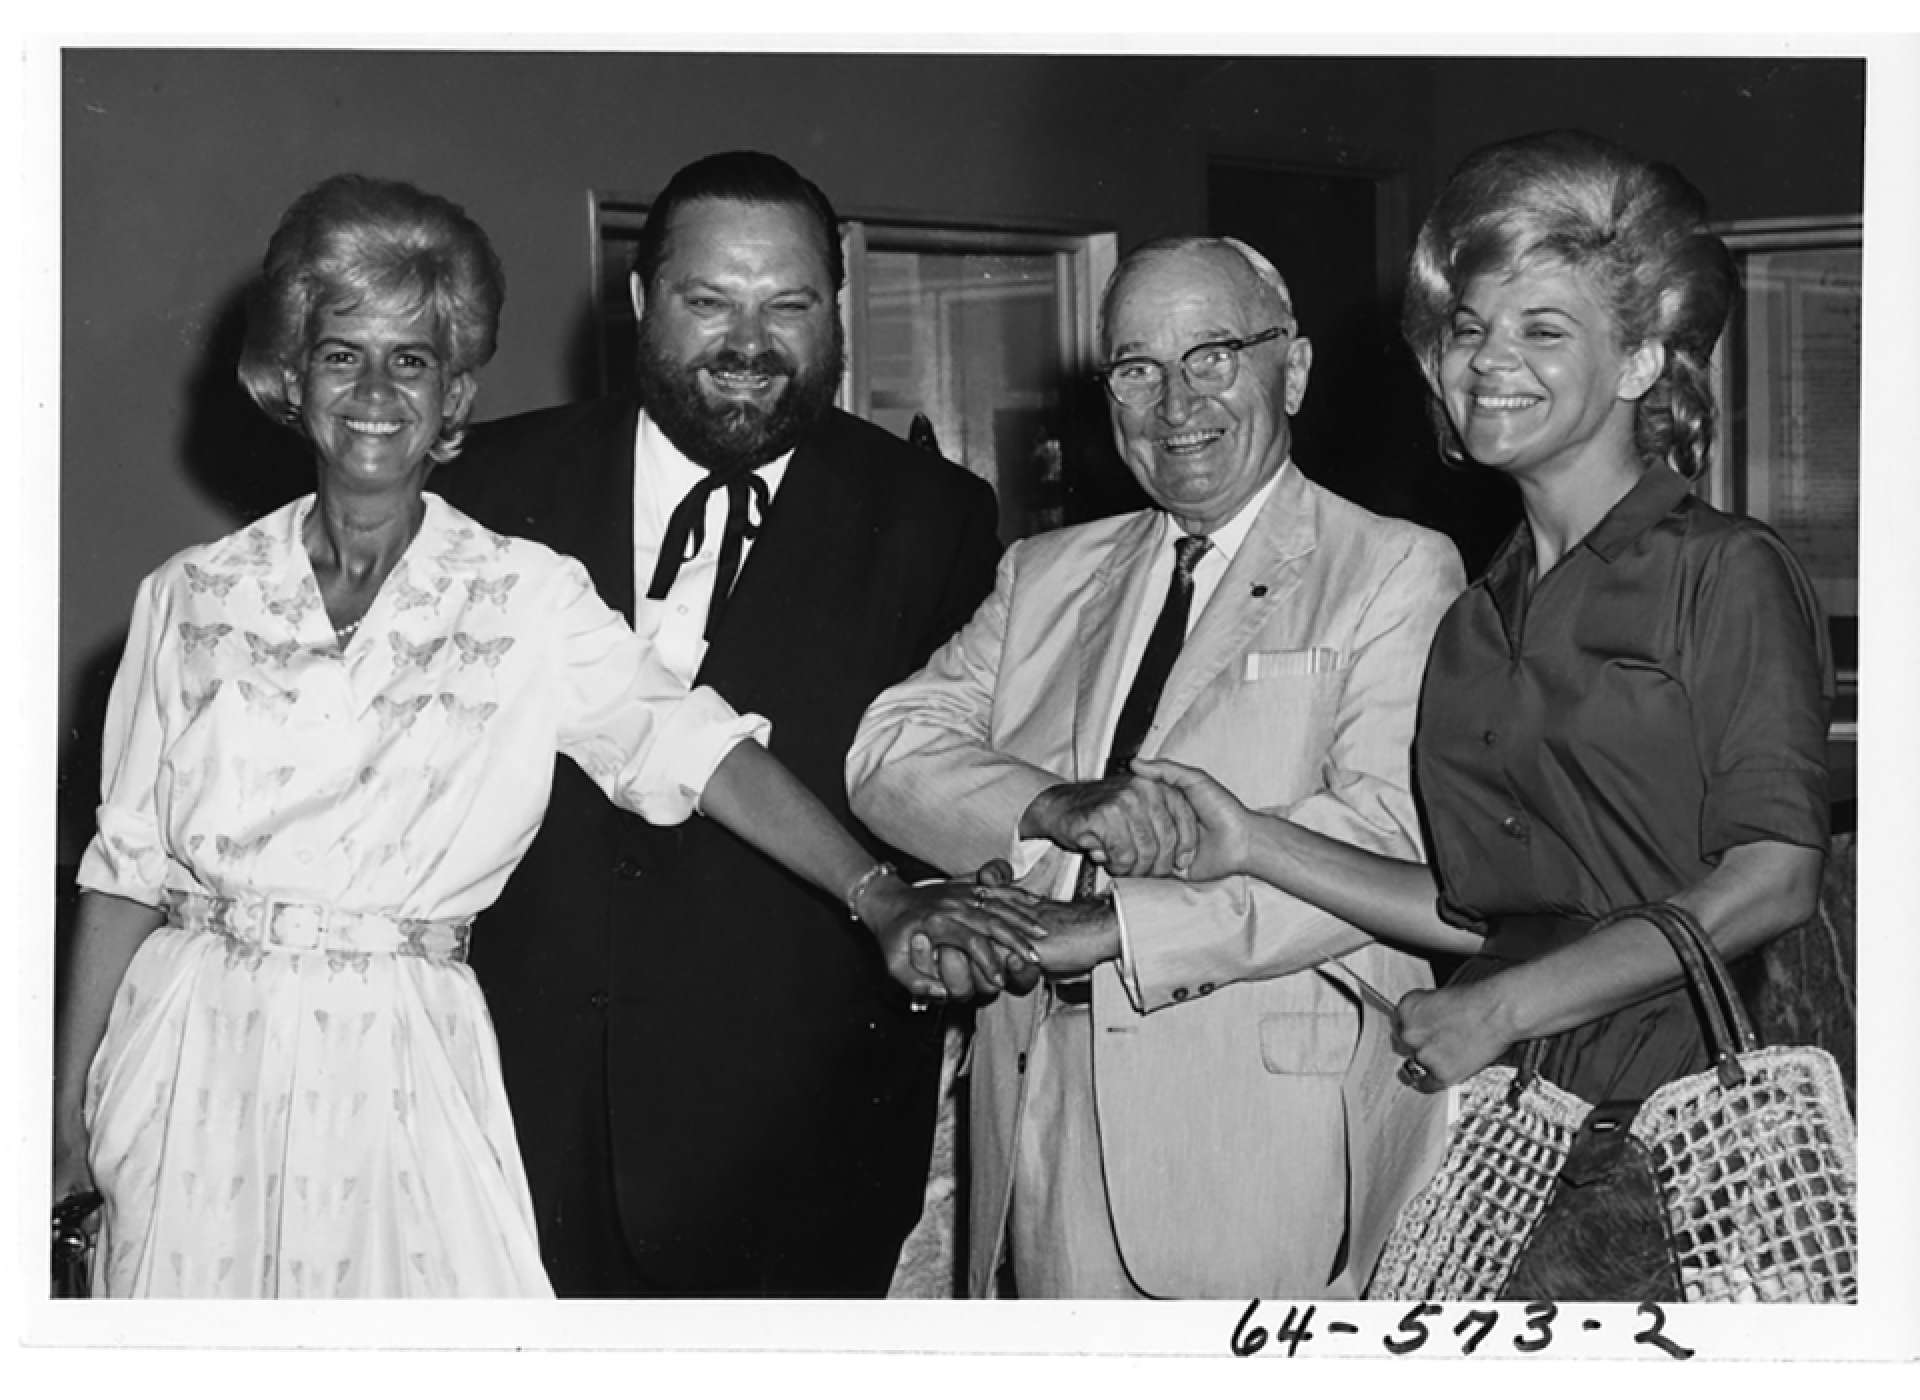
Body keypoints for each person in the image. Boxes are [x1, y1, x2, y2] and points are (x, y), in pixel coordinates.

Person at [48, 173, 1035, 1300]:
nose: (376, 390)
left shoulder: (521, 591)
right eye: (341, 354)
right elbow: (123, 866)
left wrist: (884, 895)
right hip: (189, 1062)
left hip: (402, 1067)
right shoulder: (190, 593)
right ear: (289, 375)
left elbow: (692, 745)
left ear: (456, 385)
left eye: (412, 359)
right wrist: (64, 1119)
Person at [1134, 129, 1833, 1301]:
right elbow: (1478, 913)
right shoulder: (1477, 613)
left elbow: (1774, 877)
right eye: (1468, 328)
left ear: (1642, 360)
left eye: (1542, 328)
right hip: (1507, 1138)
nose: (1488, 360)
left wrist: (1505, 1004)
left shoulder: (1723, 570)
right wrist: (1253, 837)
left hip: (1683, 1151)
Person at [847, 235, 1467, 1299]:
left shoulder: (1395, 568)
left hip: (1265, 1148)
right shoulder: (1045, 572)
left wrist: (1114, 929)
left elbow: (1384, 843)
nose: (1176, 402)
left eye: (1214, 355)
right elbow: (887, 748)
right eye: (1137, 367)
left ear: (1296, 369)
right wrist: (1052, 805)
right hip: (1042, 1126)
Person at [436, 151, 1009, 1298]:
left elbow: (951, 784)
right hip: (507, 1118)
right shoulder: (487, 486)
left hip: (799, 1150)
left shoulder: (937, 519)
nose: (750, 339)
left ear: (836, 313)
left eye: (789, 303)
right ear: (644, 303)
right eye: (709, 300)